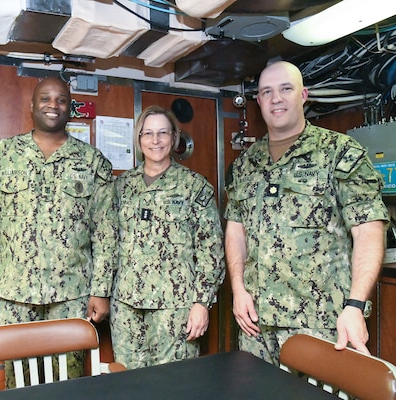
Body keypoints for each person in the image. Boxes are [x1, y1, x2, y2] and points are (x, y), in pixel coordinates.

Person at [224, 61, 389, 365]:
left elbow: (368, 230)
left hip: (321, 322)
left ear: (303, 95)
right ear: (258, 100)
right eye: (266, 92)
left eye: (286, 89)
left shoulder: (339, 152)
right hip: (255, 323)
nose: (276, 98)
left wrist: (354, 305)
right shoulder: (245, 165)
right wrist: (238, 290)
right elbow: (236, 230)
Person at [0, 76, 118, 385]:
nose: (53, 105)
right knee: (18, 381)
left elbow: (106, 232)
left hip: (72, 294)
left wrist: (101, 291)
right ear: (32, 105)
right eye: (45, 98)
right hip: (13, 294)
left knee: (69, 381)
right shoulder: (2, 155)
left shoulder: (92, 162)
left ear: (70, 109)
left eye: (61, 100)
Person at [110, 105, 225, 370]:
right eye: (148, 133)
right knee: (128, 386)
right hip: (126, 308)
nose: (155, 140)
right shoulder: (121, 187)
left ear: (174, 138)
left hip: (175, 308)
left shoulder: (194, 187)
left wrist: (202, 303)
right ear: (138, 139)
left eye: (163, 133)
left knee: (174, 386)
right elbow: (108, 243)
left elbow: (212, 251)